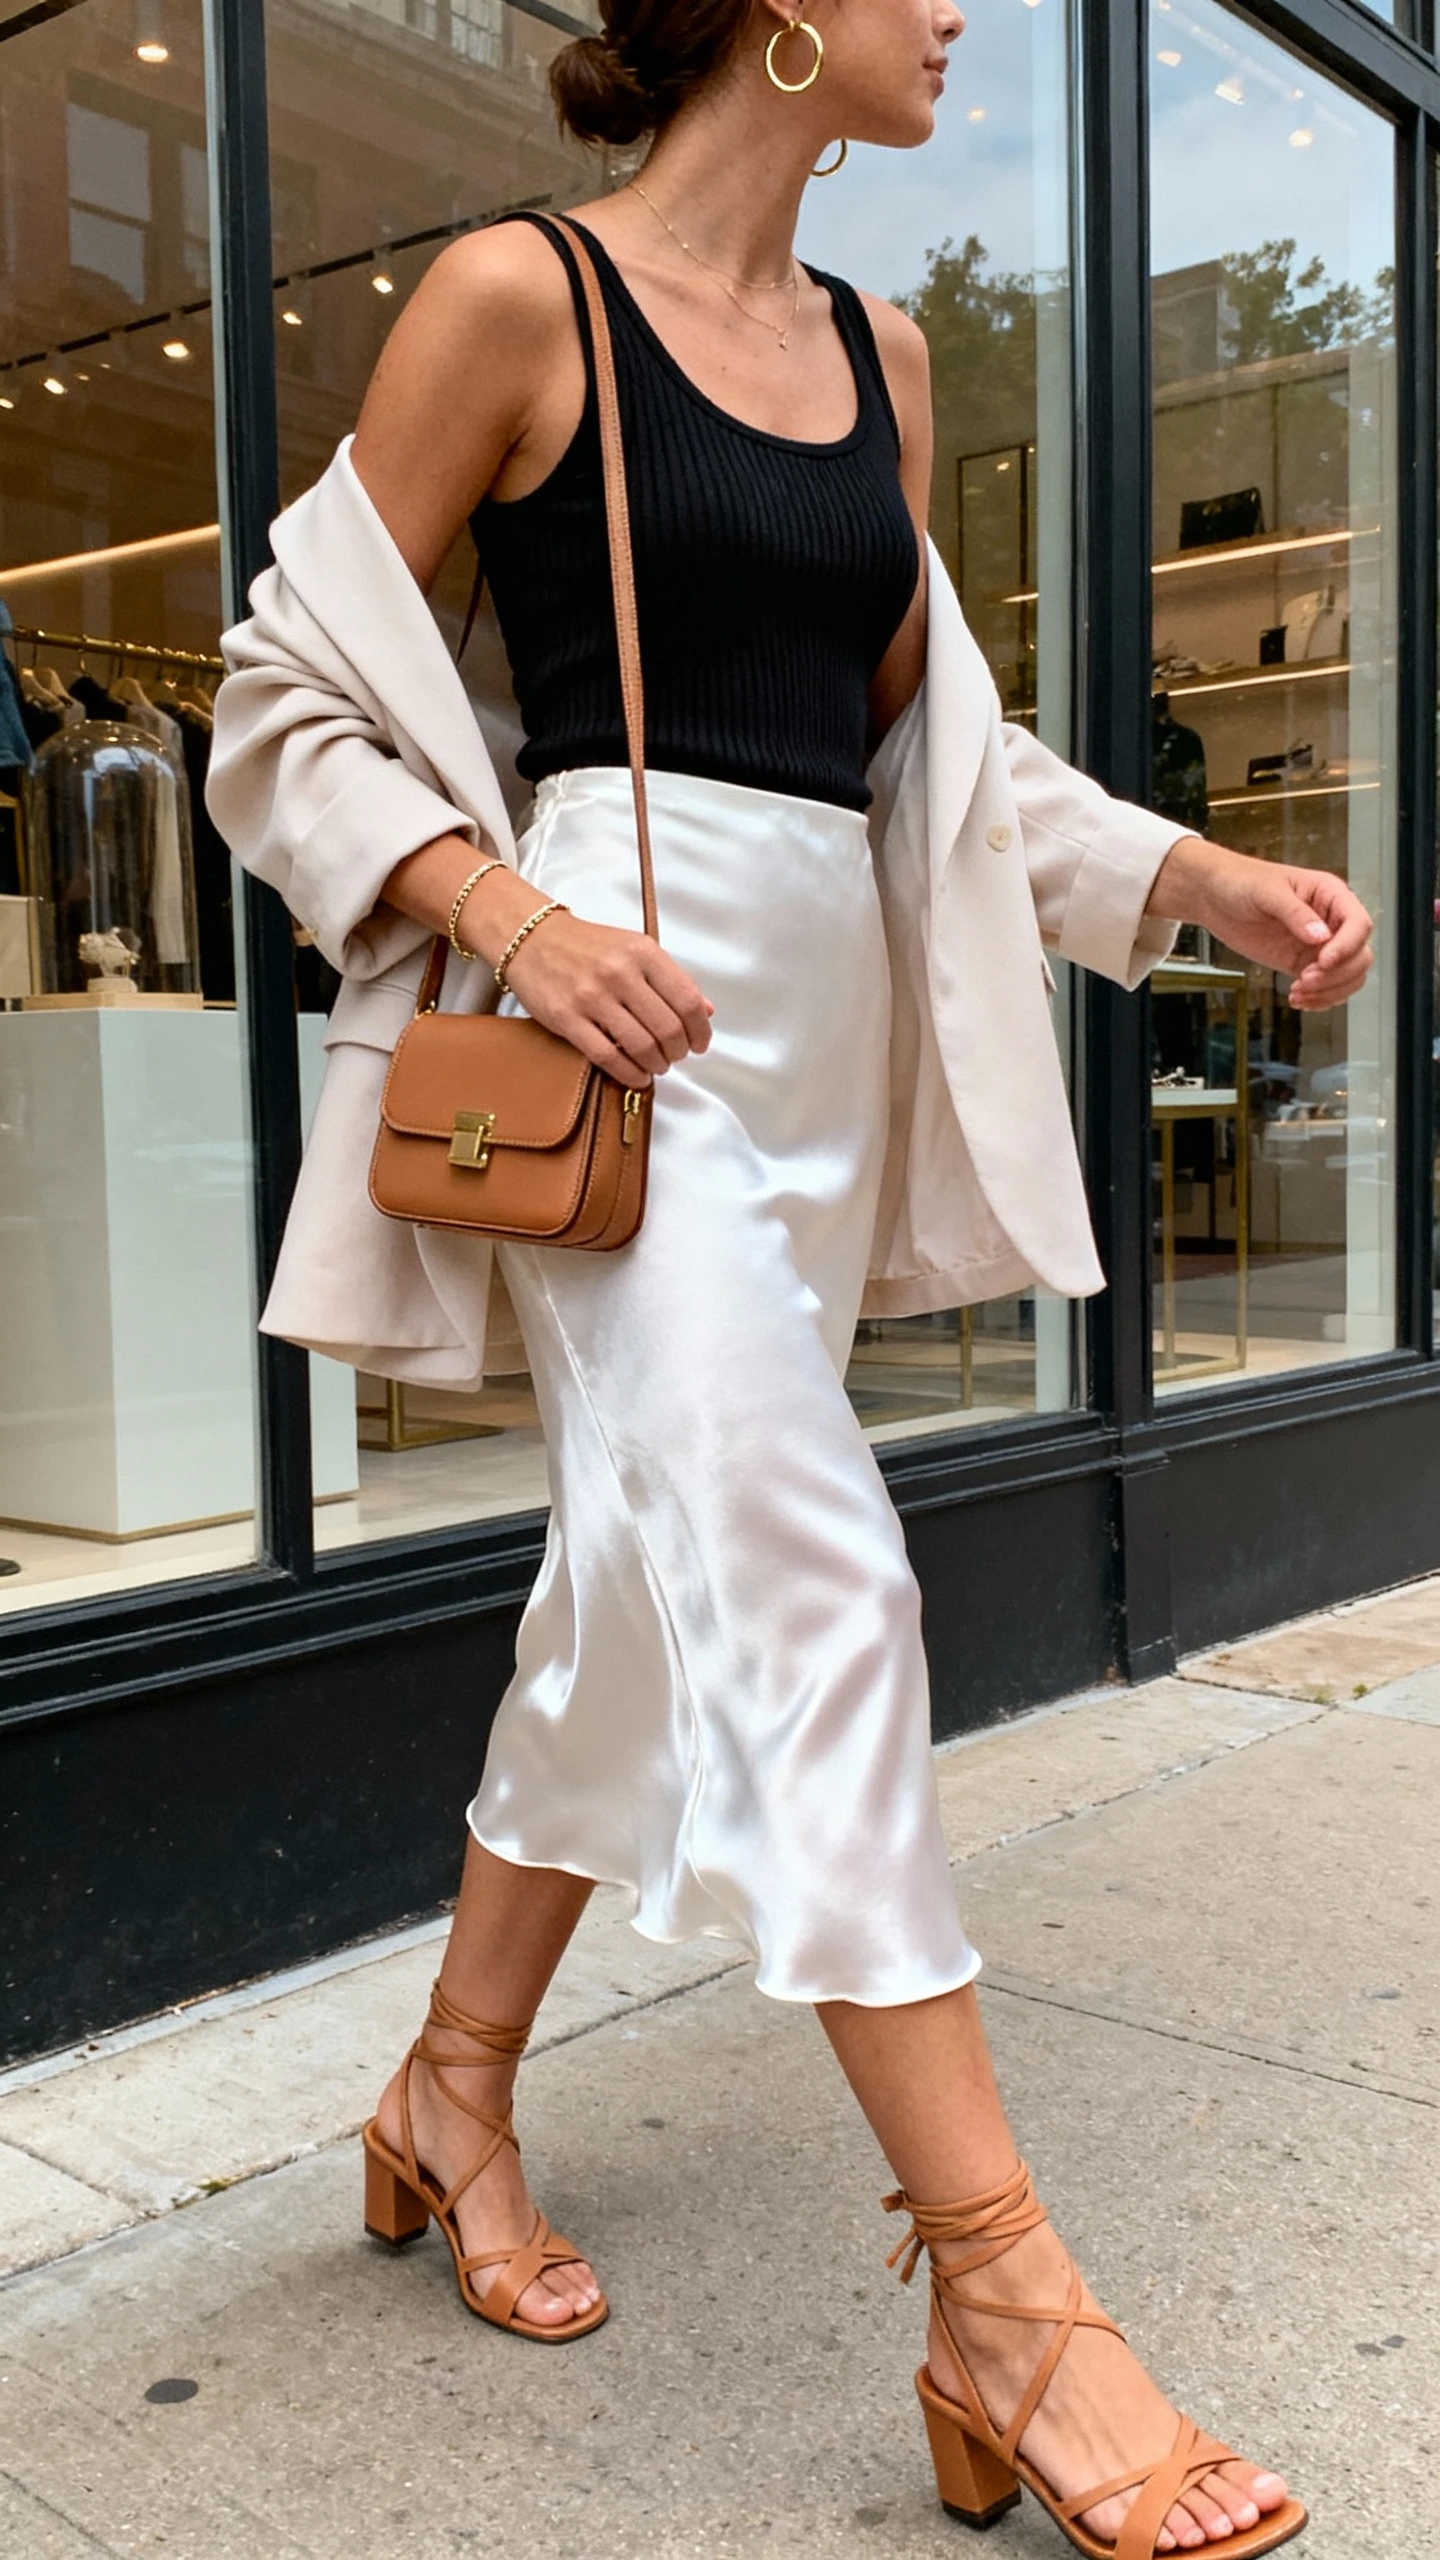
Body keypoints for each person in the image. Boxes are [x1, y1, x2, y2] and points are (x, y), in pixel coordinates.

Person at [207, 2, 1372, 2547]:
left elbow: (923, 752)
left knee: (637, 1587)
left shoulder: (886, 348)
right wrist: (506, 915)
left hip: (820, 1012)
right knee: (813, 1574)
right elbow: (277, 705)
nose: (956, 11)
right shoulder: (519, 301)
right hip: (618, 1022)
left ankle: (446, 2088)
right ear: (773, 16)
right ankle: (1006, 2293)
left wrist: (1192, 882)